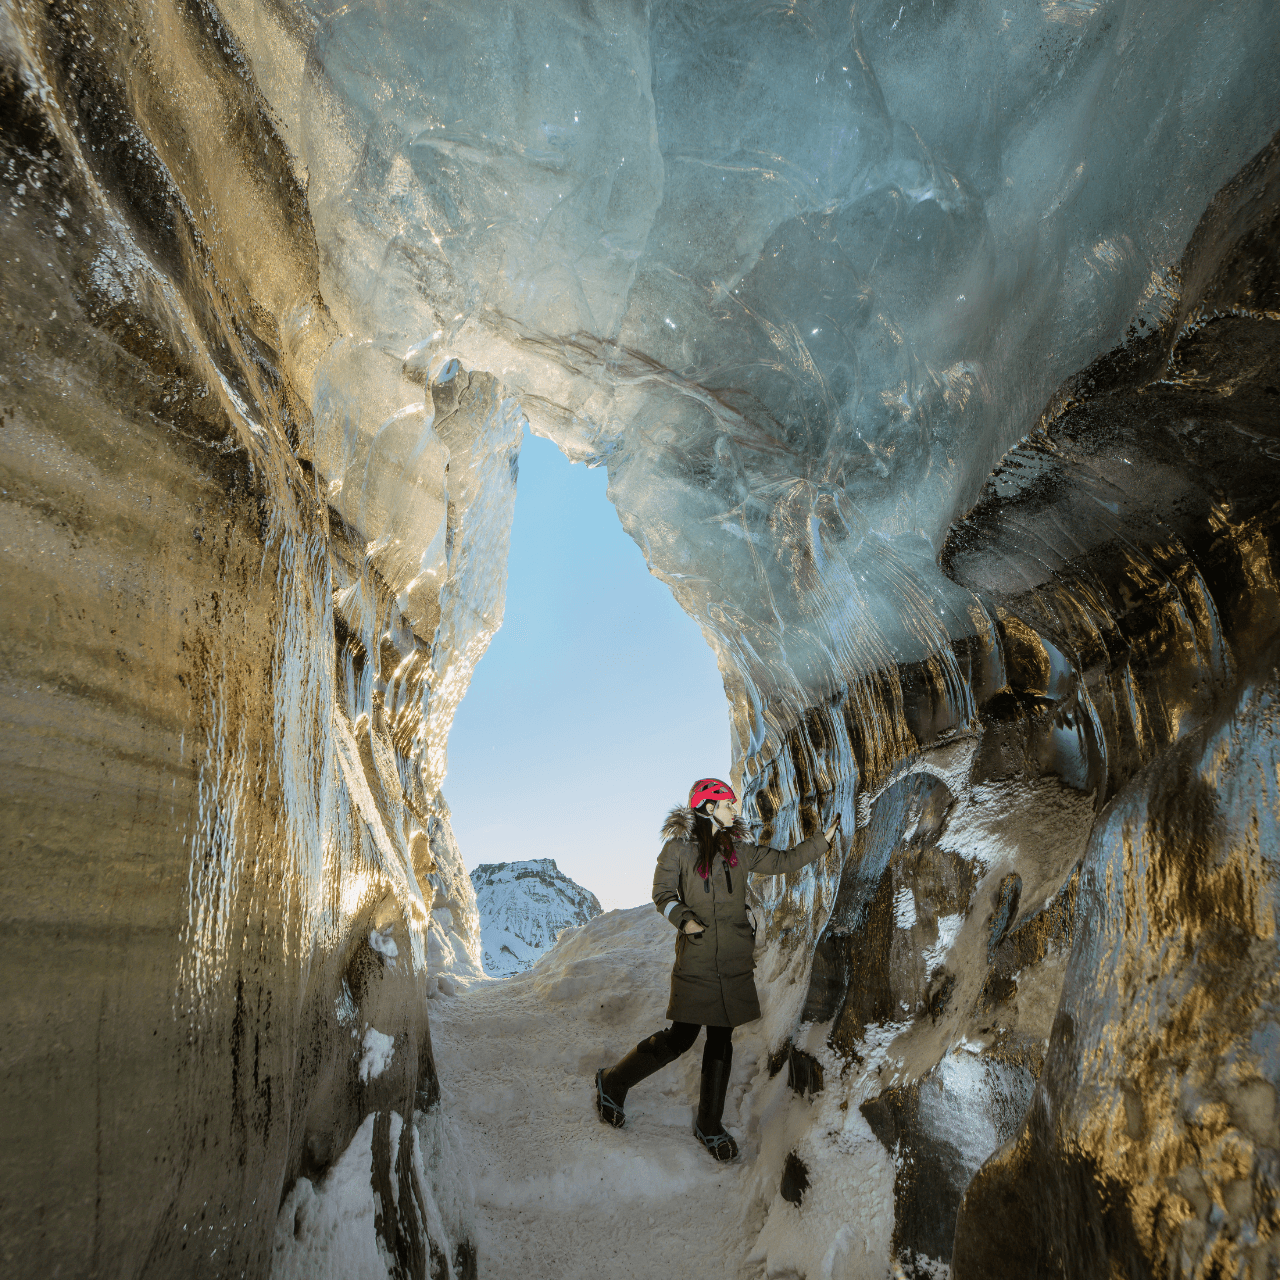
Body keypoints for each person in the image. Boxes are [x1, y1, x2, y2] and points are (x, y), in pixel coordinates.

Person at [594, 777, 840, 1162]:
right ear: (707, 807)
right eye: (727, 804)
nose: (734, 810)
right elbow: (662, 893)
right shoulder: (677, 849)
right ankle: (613, 1081)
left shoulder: (738, 850)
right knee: (680, 1038)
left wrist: (820, 842)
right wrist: (685, 919)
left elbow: (782, 861)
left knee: (722, 1039)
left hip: (733, 961)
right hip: (697, 959)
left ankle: (709, 1124)